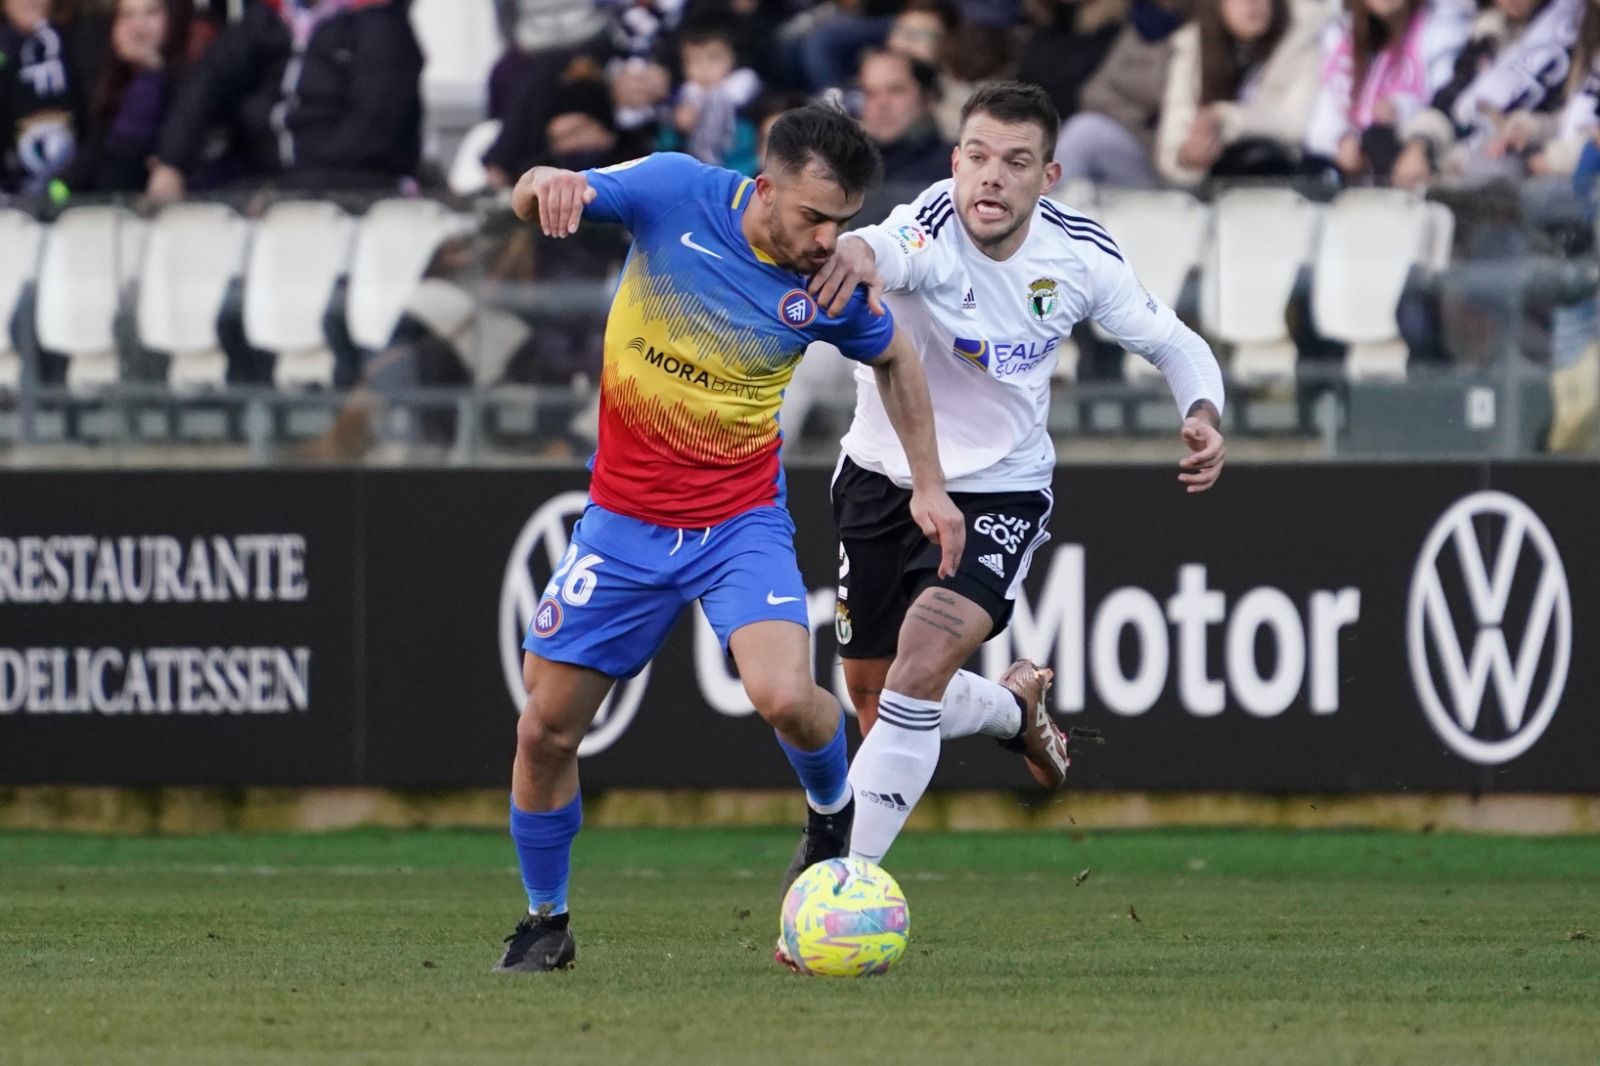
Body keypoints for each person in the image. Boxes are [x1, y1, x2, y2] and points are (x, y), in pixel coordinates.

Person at [494, 107, 967, 973]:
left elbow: (897, 359)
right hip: (623, 524)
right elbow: (531, 196)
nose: (830, 241)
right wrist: (544, 183)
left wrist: (929, 486)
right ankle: (543, 920)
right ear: (763, 187)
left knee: (786, 697)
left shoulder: (825, 288)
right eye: (814, 218)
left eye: (843, 222)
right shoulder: (673, 192)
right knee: (544, 732)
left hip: (738, 523)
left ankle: (832, 815)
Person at [796, 81, 1226, 900]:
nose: (992, 177)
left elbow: (1176, 344)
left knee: (917, 671)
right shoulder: (927, 227)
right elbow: (882, 250)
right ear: (956, 161)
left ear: (1049, 176)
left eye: (1016, 162)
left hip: (1000, 491)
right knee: (874, 700)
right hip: (878, 480)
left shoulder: (1078, 257)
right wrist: (851, 253)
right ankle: (1011, 711)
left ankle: (843, 887)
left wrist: (1202, 413)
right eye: (979, 157)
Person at [146, 0, 423, 201]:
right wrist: (171, 162)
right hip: (270, 184)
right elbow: (208, 82)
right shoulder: (269, 18)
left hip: (359, 189)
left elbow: (374, 130)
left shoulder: (381, 23)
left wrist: (291, 189)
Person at [1155, 0, 1328, 186]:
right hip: (1212, 189)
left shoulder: (1303, 33)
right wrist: (1188, 158)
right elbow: (1172, 143)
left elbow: (1294, 123)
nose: (1251, 5)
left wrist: (1224, 119)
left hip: (1289, 180)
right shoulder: (1193, 45)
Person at [1302, 0, 1472, 181]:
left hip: (1419, 166)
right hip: (1353, 173)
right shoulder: (1341, 34)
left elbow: (1446, 101)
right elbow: (1326, 109)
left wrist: (1401, 109)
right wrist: (1341, 138)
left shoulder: (1443, 30)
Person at [65, 0, 192, 193]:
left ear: (173, 19)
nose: (138, 25)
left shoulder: (190, 83)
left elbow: (126, 152)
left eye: (151, 13)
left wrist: (152, 72)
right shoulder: (104, 82)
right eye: (127, 15)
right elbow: (86, 165)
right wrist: (53, 192)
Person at [0, 0, 86, 193]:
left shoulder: (76, 40)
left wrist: (65, 184)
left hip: (76, 190)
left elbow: (98, 120)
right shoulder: (3, 53)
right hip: (11, 198)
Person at [857, 48, 951, 186]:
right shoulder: (847, 168)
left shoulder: (953, 170)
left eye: (896, 90)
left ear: (929, 98)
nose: (882, 103)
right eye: (870, 93)